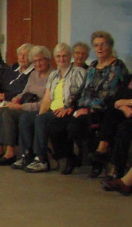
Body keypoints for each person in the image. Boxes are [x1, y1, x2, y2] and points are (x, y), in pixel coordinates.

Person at [62, 30, 127, 175]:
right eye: (96, 45)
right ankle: (75, 158)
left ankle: (97, 161)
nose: (100, 48)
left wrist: (89, 109)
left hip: (105, 110)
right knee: (57, 124)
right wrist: (70, 106)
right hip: (84, 107)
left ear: (110, 46)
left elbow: (110, 94)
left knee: (79, 125)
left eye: (103, 44)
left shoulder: (117, 66)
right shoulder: (92, 66)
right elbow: (82, 89)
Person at [88, 37, 132, 178]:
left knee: (124, 128)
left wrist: (127, 102)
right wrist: (124, 107)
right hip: (128, 112)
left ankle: (117, 168)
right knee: (111, 111)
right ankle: (102, 149)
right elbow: (116, 100)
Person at [18, 43, 86, 172]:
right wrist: (40, 113)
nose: (61, 59)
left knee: (41, 120)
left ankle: (41, 159)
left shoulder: (78, 72)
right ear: (55, 58)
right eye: (58, 56)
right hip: (52, 110)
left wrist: (68, 107)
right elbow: (47, 99)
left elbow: (82, 94)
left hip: (67, 110)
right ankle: (26, 155)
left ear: (70, 56)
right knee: (26, 118)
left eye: (64, 56)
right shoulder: (54, 75)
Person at [0, 46, 51, 164]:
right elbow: (24, 91)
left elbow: (45, 102)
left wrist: (21, 107)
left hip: (37, 108)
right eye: (35, 61)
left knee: (8, 114)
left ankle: (10, 152)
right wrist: (16, 99)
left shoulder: (52, 76)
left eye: (41, 60)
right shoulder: (34, 74)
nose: (38, 63)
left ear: (48, 59)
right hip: (26, 104)